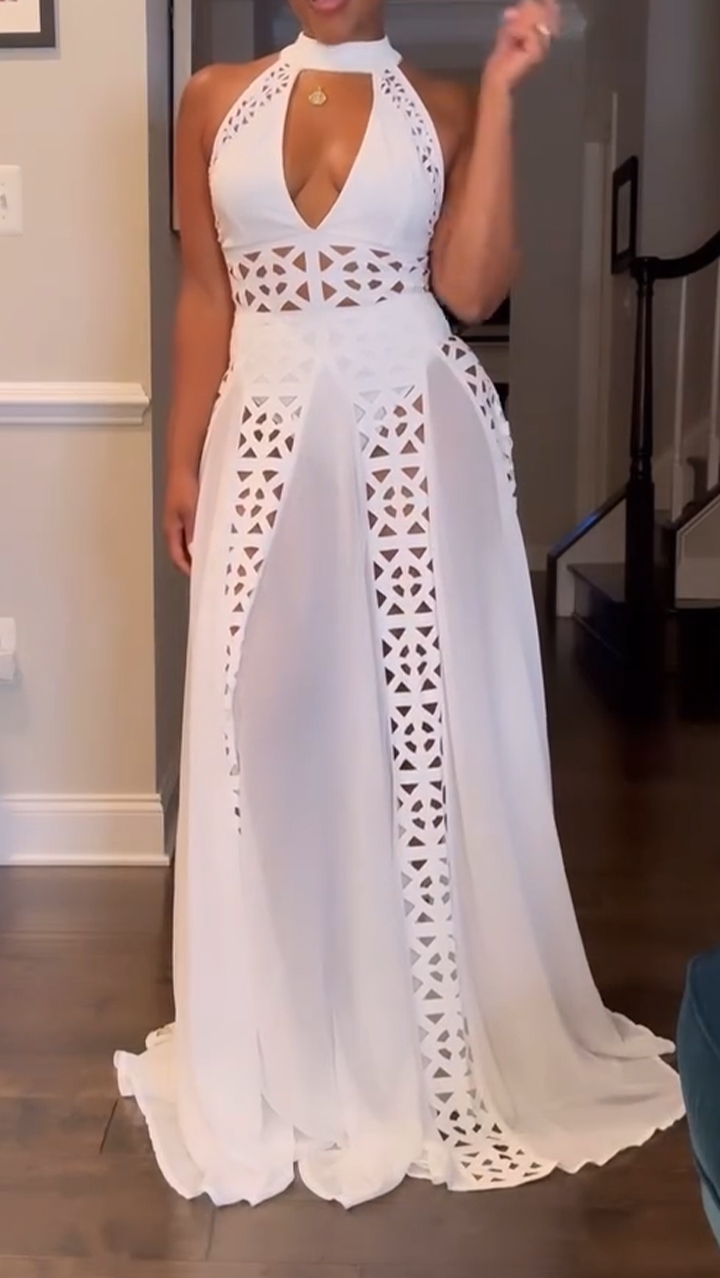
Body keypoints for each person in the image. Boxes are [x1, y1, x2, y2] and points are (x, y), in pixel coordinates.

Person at [116, 0, 683, 1208]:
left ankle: (410, 1030)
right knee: (262, 723)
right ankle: (285, 1027)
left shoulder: (447, 106)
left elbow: (472, 289)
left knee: (417, 730)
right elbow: (208, 291)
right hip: (264, 431)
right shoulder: (213, 99)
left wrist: (509, 97)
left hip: (412, 430)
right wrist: (181, 457)